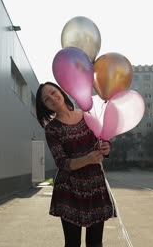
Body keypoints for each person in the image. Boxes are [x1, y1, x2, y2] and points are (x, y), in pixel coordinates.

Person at [36, 82, 116, 247]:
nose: (52, 98)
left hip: (95, 185)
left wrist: (106, 148)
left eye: (53, 92)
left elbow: (102, 138)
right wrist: (87, 159)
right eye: (46, 99)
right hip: (69, 189)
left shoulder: (88, 115)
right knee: (72, 243)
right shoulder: (52, 129)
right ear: (45, 106)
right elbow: (62, 162)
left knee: (95, 242)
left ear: (61, 91)